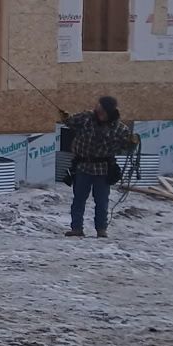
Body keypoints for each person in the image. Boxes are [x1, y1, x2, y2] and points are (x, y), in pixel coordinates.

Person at [63, 94, 133, 239]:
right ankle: (77, 228)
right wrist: (65, 117)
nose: (99, 112)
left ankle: (101, 230)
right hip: (83, 166)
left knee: (101, 202)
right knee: (79, 199)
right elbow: (70, 122)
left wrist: (133, 143)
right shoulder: (86, 118)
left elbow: (127, 146)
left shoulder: (120, 129)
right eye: (98, 108)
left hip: (103, 168)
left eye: (103, 110)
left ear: (110, 112)